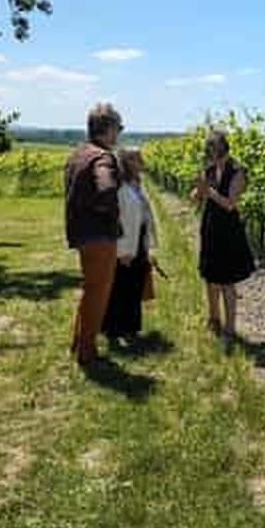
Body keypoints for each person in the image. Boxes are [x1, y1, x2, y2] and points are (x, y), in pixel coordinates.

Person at [65, 102, 123, 366]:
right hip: (99, 235)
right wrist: (108, 211)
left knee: (90, 289)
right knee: (98, 294)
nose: (119, 133)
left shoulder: (78, 154)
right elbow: (106, 188)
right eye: (119, 128)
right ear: (108, 128)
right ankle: (87, 353)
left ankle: (78, 342)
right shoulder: (102, 157)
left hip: (80, 232)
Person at [194, 130, 255, 349]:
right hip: (210, 227)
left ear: (222, 148)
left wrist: (208, 191)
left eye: (213, 149)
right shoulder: (210, 170)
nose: (210, 154)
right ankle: (214, 319)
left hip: (228, 231)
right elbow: (197, 196)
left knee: (227, 281)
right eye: (209, 149)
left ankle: (229, 329)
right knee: (210, 277)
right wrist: (198, 191)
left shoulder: (238, 171)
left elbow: (230, 204)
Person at [102, 148, 158, 342]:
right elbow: (120, 221)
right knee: (121, 286)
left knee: (135, 285)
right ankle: (114, 329)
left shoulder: (137, 184)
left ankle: (130, 328)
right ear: (127, 163)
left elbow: (143, 214)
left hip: (138, 240)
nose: (142, 162)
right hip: (126, 243)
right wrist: (123, 250)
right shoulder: (120, 188)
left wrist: (148, 244)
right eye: (137, 159)